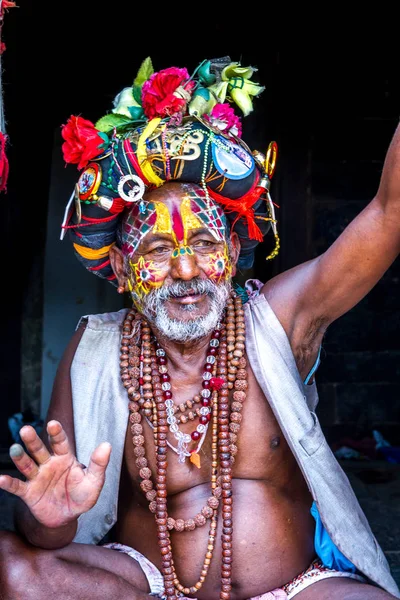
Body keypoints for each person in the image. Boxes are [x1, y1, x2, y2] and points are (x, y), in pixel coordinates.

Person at [0, 55, 399, 600]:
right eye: (158, 250)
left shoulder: (278, 319)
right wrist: (50, 516)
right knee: (12, 567)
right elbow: (45, 533)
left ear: (233, 252)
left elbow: (388, 214)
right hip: (144, 585)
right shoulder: (94, 348)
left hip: (293, 588)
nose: (186, 272)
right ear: (120, 268)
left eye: (205, 246)